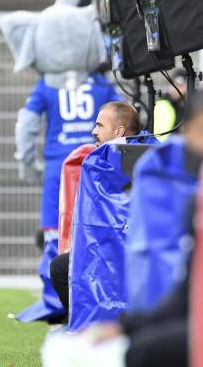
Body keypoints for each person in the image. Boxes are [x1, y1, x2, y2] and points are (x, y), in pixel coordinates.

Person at [89, 91, 203, 367]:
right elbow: (187, 292)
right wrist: (127, 327)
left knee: (144, 351)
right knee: (140, 346)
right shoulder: (193, 202)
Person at [15, 72, 123, 322]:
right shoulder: (102, 84)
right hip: (102, 161)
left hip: (61, 166)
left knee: (57, 231)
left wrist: (28, 161)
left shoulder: (47, 83)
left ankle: (56, 301)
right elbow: (125, 112)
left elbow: (27, 123)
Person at [49, 101, 144, 316]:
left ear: (119, 131)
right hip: (119, 251)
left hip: (129, 254)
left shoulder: (114, 162)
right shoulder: (146, 153)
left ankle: (87, 328)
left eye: (100, 125)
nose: (94, 131)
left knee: (61, 269)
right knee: (61, 266)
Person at [154, 68, 187, 141]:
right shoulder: (162, 104)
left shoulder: (192, 107)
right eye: (173, 84)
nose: (175, 88)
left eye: (179, 85)